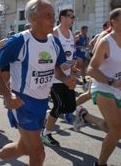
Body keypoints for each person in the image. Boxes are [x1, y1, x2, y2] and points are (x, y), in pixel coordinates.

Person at [0, 0, 76, 166]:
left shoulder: (54, 42)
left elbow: (56, 69)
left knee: (24, 148)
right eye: (48, 15)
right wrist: (7, 94)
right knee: (38, 154)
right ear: (33, 18)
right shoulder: (19, 41)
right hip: (22, 103)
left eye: (53, 15)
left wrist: (66, 79)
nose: (53, 20)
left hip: (42, 103)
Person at [73, 8, 121, 166]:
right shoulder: (106, 42)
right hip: (103, 88)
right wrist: (111, 81)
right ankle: (100, 164)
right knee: (116, 130)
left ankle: (85, 117)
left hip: (117, 89)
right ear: (114, 22)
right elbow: (91, 69)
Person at [41, 8, 77, 146]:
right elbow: (47, 55)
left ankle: (46, 115)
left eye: (74, 17)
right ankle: (46, 133)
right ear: (62, 18)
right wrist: (58, 65)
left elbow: (70, 56)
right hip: (54, 77)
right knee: (59, 105)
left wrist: (72, 67)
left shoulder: (72, 35)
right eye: (71, 16)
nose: (73, 19)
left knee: (69, 107)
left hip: (66, 77)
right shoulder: (54, 33)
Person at [74, 26, 89, 90]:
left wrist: (88, 47)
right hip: (77, 53)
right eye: (85, 30)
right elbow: (72, 43)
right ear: (82, 30)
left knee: (81, 67)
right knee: (80, 63)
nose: (86, 31)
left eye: (87, 30)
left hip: (83, 53)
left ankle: (82, 79)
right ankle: (74, 76)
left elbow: (88, 45)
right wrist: (78, 46)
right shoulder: (78, 37)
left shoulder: (86, 38)